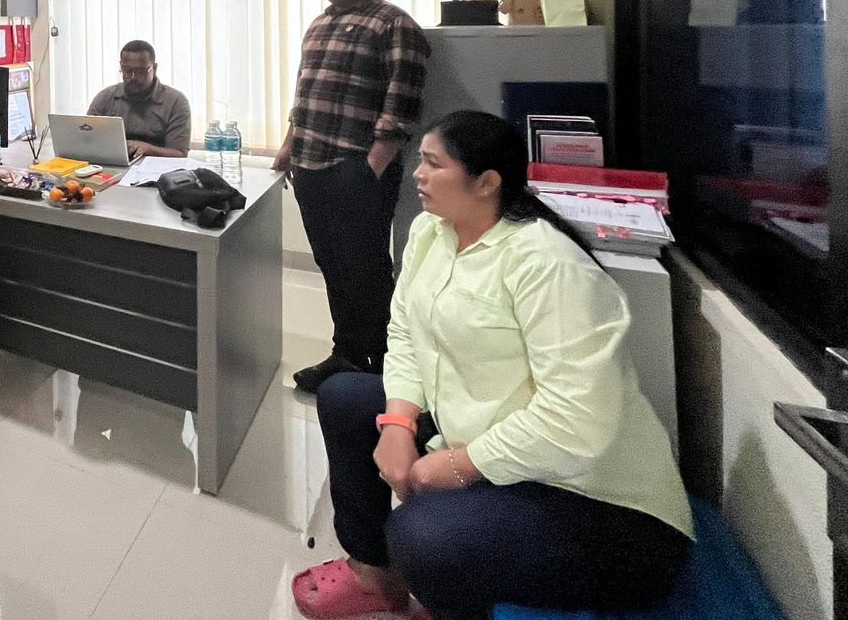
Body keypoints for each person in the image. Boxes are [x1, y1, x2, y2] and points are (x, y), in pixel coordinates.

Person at [291, 112, 693, 620]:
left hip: (592, 496)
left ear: (487, 183)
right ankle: (374, 576)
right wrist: (397, 423)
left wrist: (455, 466)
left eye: (434, 164)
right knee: (345, 397)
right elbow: (406, 334)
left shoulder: (547, 263)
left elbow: (577, 421)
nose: (417, 174)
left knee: (422, 534)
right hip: (484, 431)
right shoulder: (432, 232)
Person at [273, 0, 429, 387]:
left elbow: (401, 105)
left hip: (355, 169)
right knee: (333, 265)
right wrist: (288, 145)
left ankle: (386, 366)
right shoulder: (319, 24)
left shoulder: (394, 24)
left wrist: (370, 168)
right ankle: (347, 353)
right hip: (310, 166)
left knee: (366, 269)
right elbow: (304, 96)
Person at [85, 39, 192, 159]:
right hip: (112, 166)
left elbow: (180, 153)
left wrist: (148, 149)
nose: (133, 77)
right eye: (127, 71)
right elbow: (87, 140)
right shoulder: (105, 98)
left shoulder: (176, 102)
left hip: (157, 168)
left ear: (154, 68)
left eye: (140, 71)